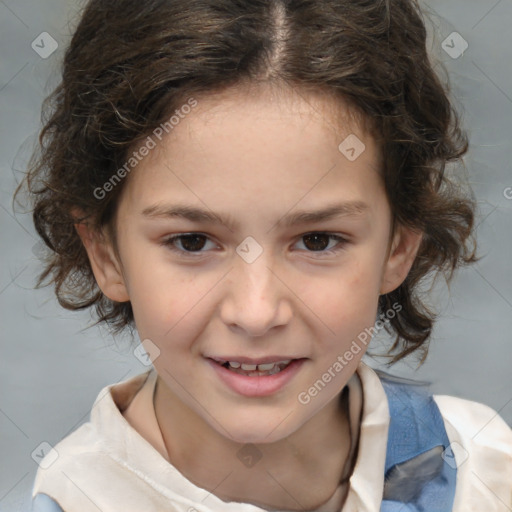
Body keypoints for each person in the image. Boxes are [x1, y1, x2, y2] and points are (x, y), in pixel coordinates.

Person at [19, 0, 511, 510]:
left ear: (399, 246)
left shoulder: (485, 475)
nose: (256, 314)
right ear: (106, 255)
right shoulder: (75, 499)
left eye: (317, 240)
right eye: (192, 242)